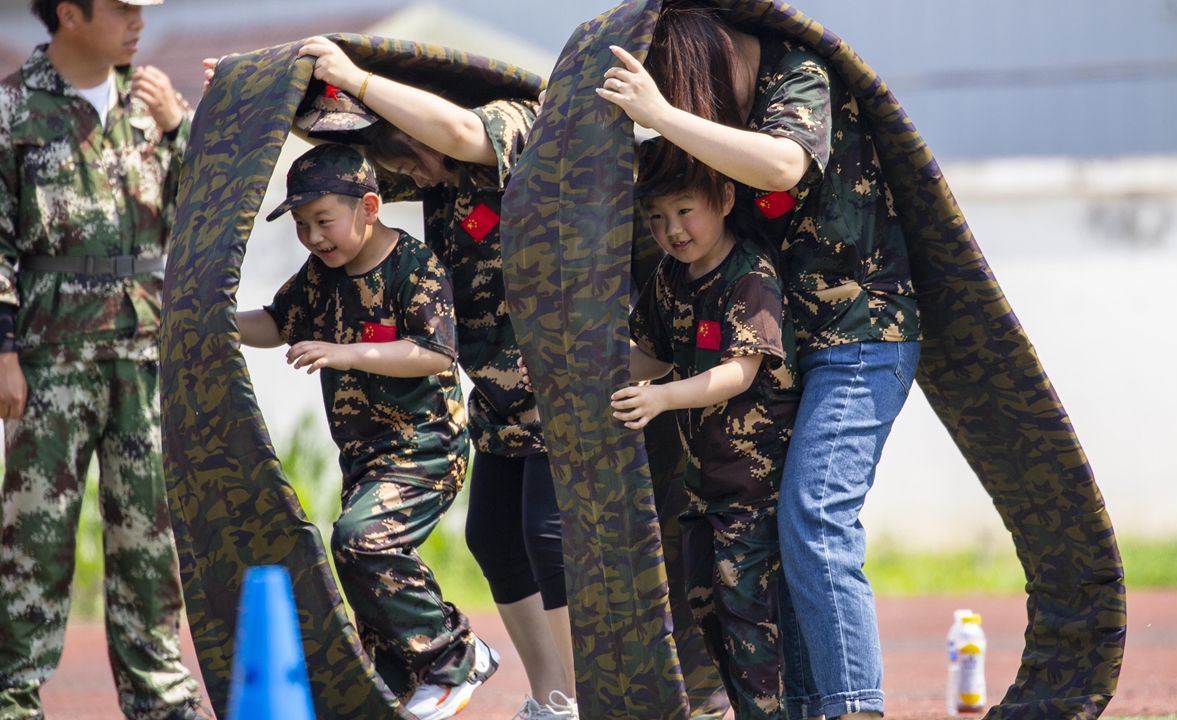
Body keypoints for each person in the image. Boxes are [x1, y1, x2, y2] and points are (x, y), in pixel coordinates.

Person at [597, 4, 924, 719]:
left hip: (861, 335)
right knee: (777, 532)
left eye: (686, 94)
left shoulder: (796, 72)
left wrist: (663, 114)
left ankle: (850, 708)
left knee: (815, 512)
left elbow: (783, 163)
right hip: (795, 351)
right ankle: (810, 708)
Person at [283, 37, 579, 720]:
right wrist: (272, 93)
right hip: (504, 396)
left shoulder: (509, 119)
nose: (421, 171)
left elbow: (455, 134)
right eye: (400, 163)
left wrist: (355, 74)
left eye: (417, 155)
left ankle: (595, 699)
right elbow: (349, 158)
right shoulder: (428, 167)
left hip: (566, 384)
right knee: (495, 542)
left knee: (549, 537)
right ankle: (554, 698)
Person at [235, 143, 497, 720]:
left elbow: (434, 354)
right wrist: (216, 324)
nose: (314, 238)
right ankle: (400, 683)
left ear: (370, 207)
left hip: (426, 447)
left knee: (361, 540)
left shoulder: (413, 265)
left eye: (323, 222)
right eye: (302, 226)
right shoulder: (318, 274)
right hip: (364, 456)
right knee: (361, 574)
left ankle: (455, 653)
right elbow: (277, 323)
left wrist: (344, 352)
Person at [0, 1, 206, 718]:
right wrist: (3, 354)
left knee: (149, 532)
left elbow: (194, 220)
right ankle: (13, 693)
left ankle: (159, 695)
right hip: (50, 353)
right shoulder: (12, 109)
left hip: (142, 350)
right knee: (35, 534)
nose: (137, 21)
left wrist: (181, 133)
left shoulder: (151, 104)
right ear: (69, 13)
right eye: (121, 8)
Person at [608, 141, 798, 720]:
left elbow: (738, 374)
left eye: (685, 210)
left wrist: (662, 398)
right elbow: (648, 356)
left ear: (724, 197)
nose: (673, 230)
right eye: (657, 218)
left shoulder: (751, 276)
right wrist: (582, 375)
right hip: (703, 485)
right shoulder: (670, 278)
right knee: (705, 604)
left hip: (753, 484)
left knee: (747, 613)